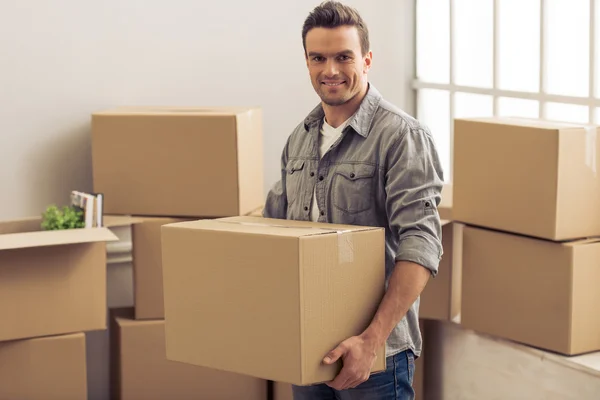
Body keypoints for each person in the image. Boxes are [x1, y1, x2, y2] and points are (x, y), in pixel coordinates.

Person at [263, 1, 444, 399]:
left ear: (366, 60)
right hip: (310, 349)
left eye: (343, 57)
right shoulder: (299, 140)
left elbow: (422, 245)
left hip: (376, 357)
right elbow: (274, 231)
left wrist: (371, 341)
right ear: (307, 62)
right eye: (319, 58)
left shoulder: (401, 136)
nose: (330, 70)